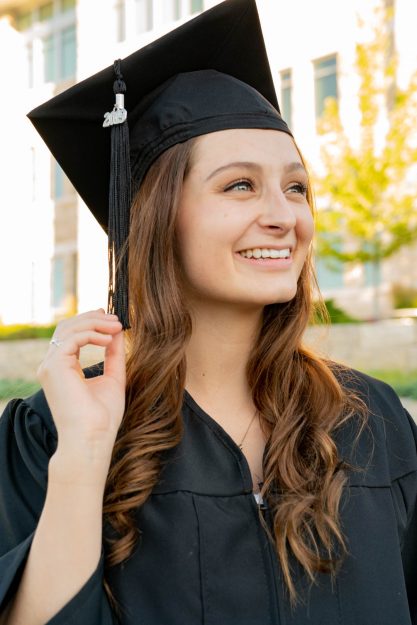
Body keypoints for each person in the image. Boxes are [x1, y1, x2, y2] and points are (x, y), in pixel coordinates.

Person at [0, 1, 416, 624]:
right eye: (240, 185)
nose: (284, 215)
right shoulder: (51, 433)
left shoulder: (369, 419)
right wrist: (85, 456)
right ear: (158, 218)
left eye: (296, 186)